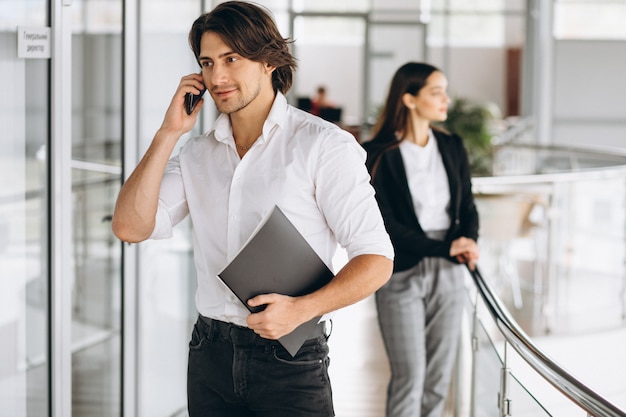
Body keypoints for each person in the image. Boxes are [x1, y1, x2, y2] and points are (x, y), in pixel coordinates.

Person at [111, 2, 394, 416]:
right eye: (207, 63)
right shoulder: (197, 154)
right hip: (210, 356)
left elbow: (376, 259)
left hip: (289, 359)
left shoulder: (322, 145)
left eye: (232, 59)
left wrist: (303, 308)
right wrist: (168, 133)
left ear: (268, 61)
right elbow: (129, 226)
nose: (218, 76)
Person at [362, 62, 480, 417]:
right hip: (400, 269)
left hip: (450, 269)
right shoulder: (377, 154)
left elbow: (468, 205)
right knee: (409, 377)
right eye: (436, 91)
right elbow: (387, 226)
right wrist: (446, 247)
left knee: (438, 378)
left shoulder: (451, 145)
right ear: (410, 99)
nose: (446, 99)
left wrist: (468, 240)